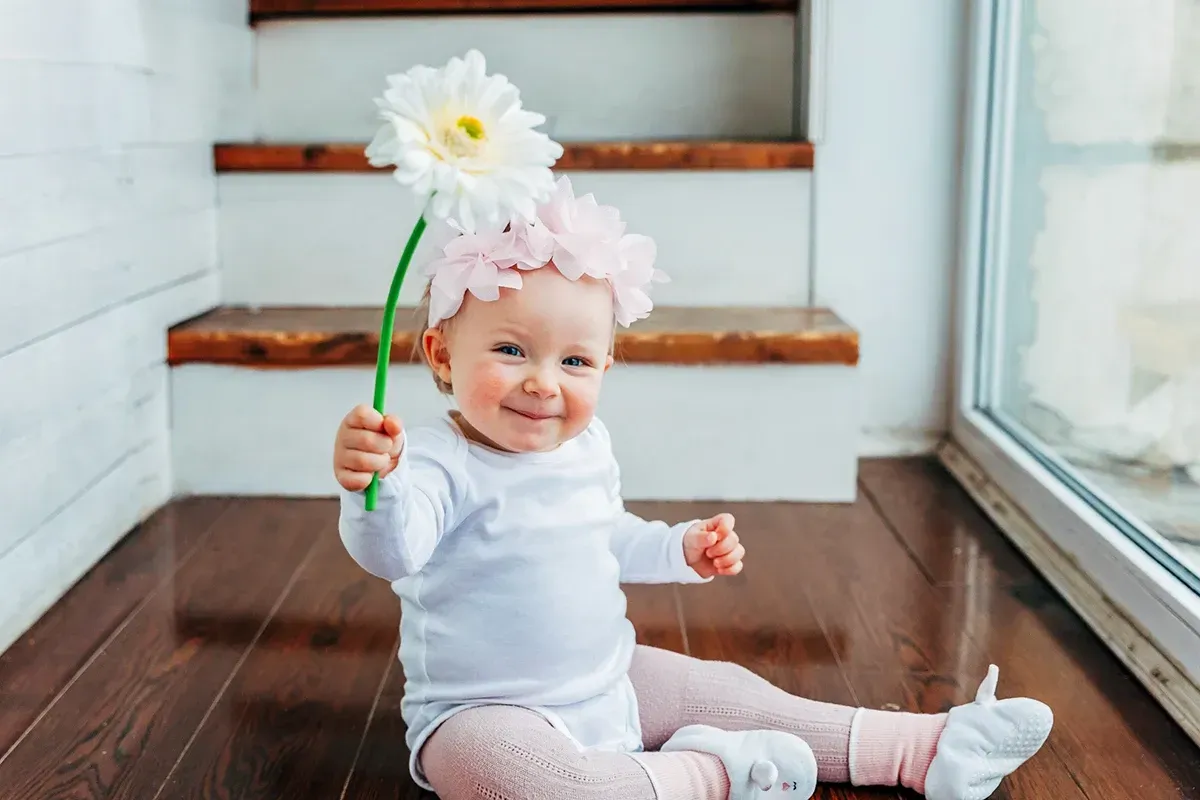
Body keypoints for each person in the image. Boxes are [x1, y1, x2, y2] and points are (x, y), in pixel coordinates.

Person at [333, 177, 1053, 800]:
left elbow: (604, 539)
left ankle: (926, 749)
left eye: (575, 360)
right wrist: (377, 489)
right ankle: (711, 775)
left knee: (731, 692)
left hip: (609, 681)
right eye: (510, 349)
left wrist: (679, 548)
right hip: (482, 715)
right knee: (509, 784)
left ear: (606, 368)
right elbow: (394, 551)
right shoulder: (432, 461)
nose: (542, 382)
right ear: (442, 353)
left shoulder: (586, 447)